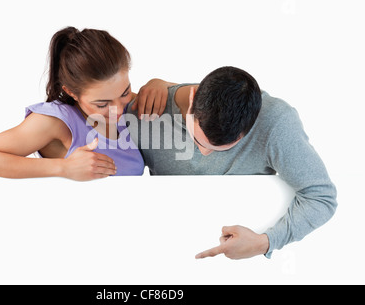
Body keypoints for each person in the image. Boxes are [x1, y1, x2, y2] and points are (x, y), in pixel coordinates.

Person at [128, 66, 338, 259]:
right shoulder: (150, 111)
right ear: (193, 98)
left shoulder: (276, 123)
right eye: (198, 138)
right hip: (166, 251)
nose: (204, 151)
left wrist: (263, 243)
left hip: (245, 263)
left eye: (221, 147)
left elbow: (321, 197)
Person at [0, 27, 166, 181]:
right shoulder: (56, 121)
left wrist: (160, 84)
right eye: (102, 104)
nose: (119, 108)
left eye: (124, 92)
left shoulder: (125, 102)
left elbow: (196, 97)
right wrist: (64, 168)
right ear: (72, 93)